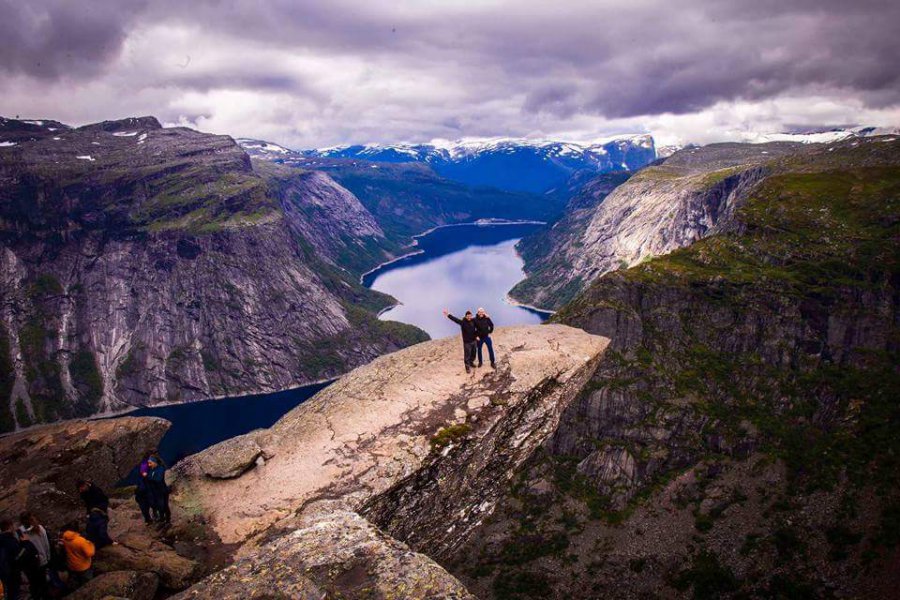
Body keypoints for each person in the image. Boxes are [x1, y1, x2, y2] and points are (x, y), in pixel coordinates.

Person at [18, 513, 50, 599]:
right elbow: (46, 544)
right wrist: (47, 557)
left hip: (31, 564)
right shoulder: (40, 528)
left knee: (35, 584)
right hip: (42, 560)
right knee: (44, 584)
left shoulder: (22, 533)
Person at [58, 524, 94, 590]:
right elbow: (90, 553)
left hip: (72, 565)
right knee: (87, 583)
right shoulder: (81, 541)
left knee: (77, 581)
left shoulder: (65, 539)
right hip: (83, 566)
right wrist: (90, 544)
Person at [443, 309, 479, 373]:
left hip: (474, 341)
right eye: (467, 316)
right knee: (467, 355)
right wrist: (448, 314)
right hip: (467, 342)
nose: (469, 317)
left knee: (473, 353)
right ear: (465, 316)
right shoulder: (463, 322)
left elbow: (478, 317)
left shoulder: (473, 321)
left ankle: (471, 363)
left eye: (470, 316)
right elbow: (455, 319)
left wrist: (484, 315)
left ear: (471, 316)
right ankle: (467, 367)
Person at [0, 519, 22, 600]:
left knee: (11, 592)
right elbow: (18, 555)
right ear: (9, 526)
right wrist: (26, 545)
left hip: (5, 573)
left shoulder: (2, 539)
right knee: (14, 593)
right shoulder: (10, 540)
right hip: (13, 572)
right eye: (13, 526)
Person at [146, 456, 171, 524]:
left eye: (150, 463)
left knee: (164, 506)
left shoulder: (160, 469)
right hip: (156, 492)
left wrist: (150, 478)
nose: (149, 465)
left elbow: (158, 479)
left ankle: (168, 521)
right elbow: (148, 478)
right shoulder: (151, 470)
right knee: (159, 506)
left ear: (155, 462)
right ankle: (162, 519)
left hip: (163, 491)